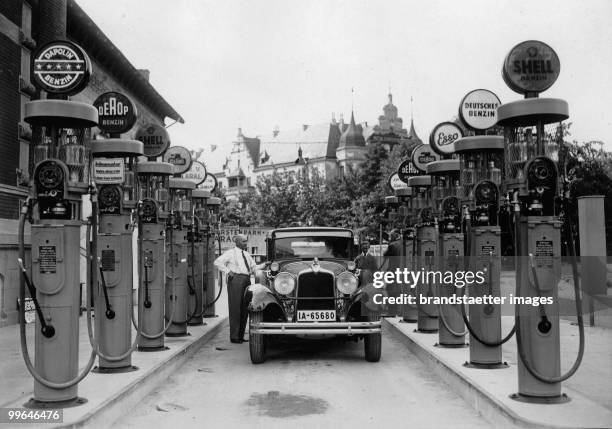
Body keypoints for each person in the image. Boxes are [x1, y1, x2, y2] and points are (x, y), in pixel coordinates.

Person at [214, 234, 256, 343]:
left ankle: (241, 335)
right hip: (236, 280)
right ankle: (234, 337)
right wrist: (228, 271)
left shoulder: (246, 254)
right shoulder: (230, 253)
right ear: (237, 242)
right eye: (243, 241)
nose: (245, 243)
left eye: (246, 241)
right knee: (235, 308)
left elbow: (253, 267)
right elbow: (217, 262)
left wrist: (265, 265)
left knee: (245, 308)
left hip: (247, 279)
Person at [381, 230, 403, 316]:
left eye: (391, 235)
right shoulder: (405, 243)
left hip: (393, 272)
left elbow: (385, 255)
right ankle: (400, 312)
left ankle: (392, 312)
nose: (390, 237)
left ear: (396, 235)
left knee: (391, 291)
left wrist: (389, 243)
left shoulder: (392, 245)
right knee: (401, 291)